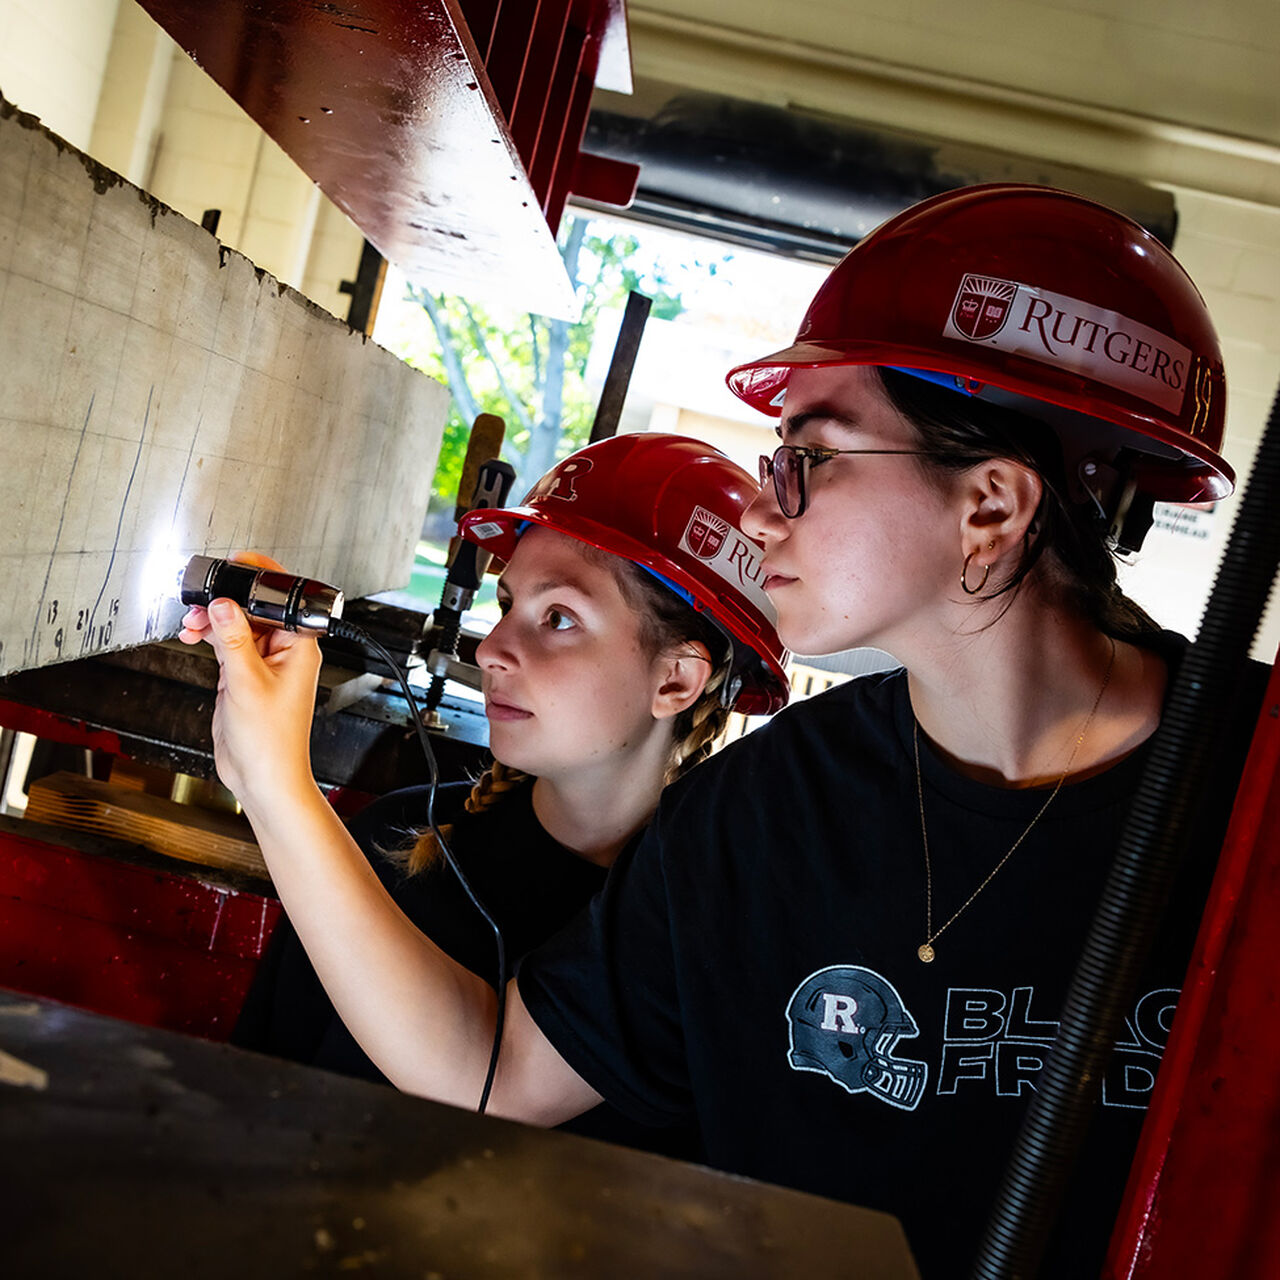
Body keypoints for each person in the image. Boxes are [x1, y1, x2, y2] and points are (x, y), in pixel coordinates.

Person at [188, 185, 1261, 1278]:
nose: (760, 512)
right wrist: (274, 780)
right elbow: (492, 1073)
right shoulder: (759, 814)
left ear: (988, 505)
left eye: (810, 457)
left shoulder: (1252, 788)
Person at [181, 433, 788, 1150]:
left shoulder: (694, 944)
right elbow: (254, 1099)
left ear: (676, 681)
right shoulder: (388, 841)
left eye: (558, 617)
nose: (491, 649)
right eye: (507, 603)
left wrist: (275, 783)